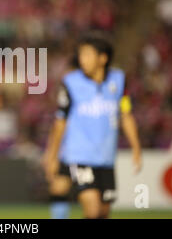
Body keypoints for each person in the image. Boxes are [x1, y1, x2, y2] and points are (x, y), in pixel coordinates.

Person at [44, 32, 142, 219]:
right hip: (79, 156)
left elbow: (126, 114)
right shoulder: (71, 83)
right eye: (81, 55)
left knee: (103, 213)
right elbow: (60, 121)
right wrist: (52, 154)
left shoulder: (119, 81)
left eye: (87, 55)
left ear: (103, 58)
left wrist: (136, 147)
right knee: (92, 209)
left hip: (106, 158)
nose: (82, 60)